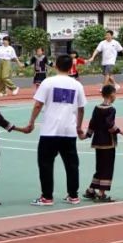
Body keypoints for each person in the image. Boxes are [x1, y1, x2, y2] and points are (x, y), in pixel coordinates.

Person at [24, 54, 87, 205]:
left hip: (50, 131)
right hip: (68, 131)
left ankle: (47, 197)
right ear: (71, 66)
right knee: (72, 164)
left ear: (56, 66)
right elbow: (81, 108)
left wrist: (31, 122)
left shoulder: (48, 82)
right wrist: (78, 127)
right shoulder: (77, 85)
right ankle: (73, 195)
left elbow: (38, 104)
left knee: (45, 164)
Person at [83, 84, 121, 203]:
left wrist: (87, 135)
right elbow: (110, 124)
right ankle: (102, 193)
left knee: (99, 166)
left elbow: (92, 123)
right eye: (115, 93)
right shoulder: (111, 109)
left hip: (97, 141)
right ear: (111, 95)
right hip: (108, 142)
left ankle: (91, 189)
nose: (115, 96)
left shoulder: (97, 107)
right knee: (107, 167)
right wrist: (120, 131)